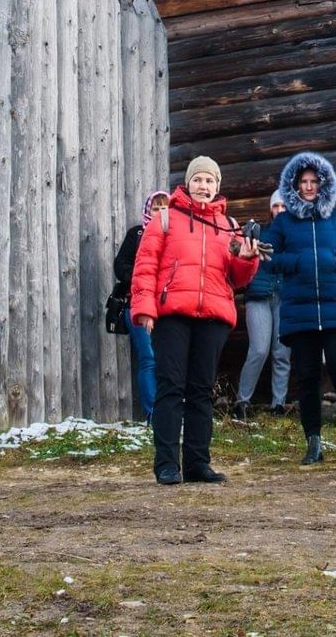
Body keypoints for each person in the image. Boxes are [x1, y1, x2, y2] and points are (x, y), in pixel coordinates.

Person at [129, 158, 260, 485]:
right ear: (188, 184)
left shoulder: (229, 225)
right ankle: (167, 464)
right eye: (198, 180)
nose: (204, 186)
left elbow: (239, 277)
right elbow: (145, 266)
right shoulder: (164, 219)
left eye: (209, 181)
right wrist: (144, 307)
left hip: (213, 318)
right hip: (172, 313)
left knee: (201, 391)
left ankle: (198, 464)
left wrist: (248, 258)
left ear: (218, 186)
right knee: (170, 387)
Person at [268, 151, 336, 464]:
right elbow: (269, 256)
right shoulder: (284, 221)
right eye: (304, 182)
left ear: (323, 184)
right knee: (307, 376)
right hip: (300, 310)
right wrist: (297, 261)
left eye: (314, 181)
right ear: (295, 185)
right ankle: (313, 442)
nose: (309, 187)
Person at [110, 190, 170, 421]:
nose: (159, 213)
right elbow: (120, 265)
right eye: (156, 208)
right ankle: (153, 415)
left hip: (167, 306)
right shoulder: (136, 234)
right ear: (148, 211)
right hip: (138, 302)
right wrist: (140, 278)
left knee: (169, 360)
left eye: (164, 208)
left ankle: (170, 412)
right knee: (149, 358)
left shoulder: (174, 235)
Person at [231, 194, 293, 418]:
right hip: (258, 295)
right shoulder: (259, 231)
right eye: (276, 206)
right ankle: (242, 402)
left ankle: (278, 404)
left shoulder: (296, 235)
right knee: (258, 349)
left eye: (284, 205)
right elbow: (238, 250)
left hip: (286, 297)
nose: (279, 209)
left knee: (282, 352)